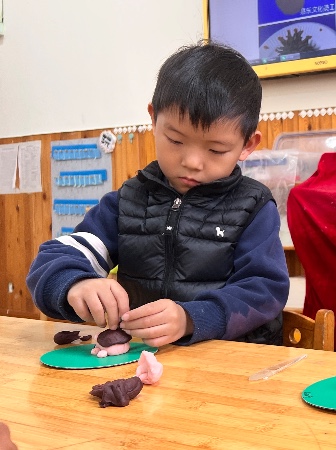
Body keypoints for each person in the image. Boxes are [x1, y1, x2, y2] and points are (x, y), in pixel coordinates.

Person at [27, 42, 289, 347]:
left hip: (233, 361)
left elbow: (265, 290)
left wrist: (192, 318)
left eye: (216, 150)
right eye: (175, 140)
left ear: (247, 145)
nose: (192, 162)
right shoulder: (127, 202)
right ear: (153, 119)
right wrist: (76, 283)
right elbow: (53, 259)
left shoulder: (254, 207)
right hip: (144, 361)